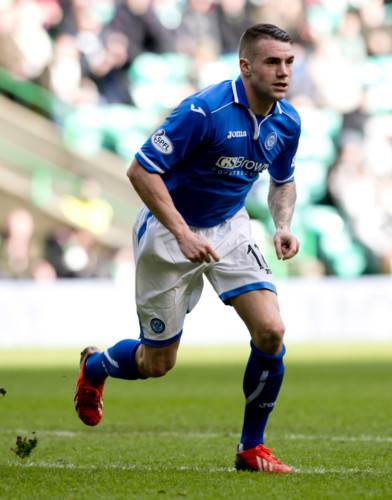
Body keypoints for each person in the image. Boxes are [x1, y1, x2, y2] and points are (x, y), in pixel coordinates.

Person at [74, 23, 301, 473]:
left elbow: (282, 180)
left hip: (231, 226)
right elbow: (140, 170)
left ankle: (251, 448)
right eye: (273, 62)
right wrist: (181, 232)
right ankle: (97, 367)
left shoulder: (287, 120)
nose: (283, 72)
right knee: (157, 363)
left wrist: (282, 224)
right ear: (246, 66)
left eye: (289, 62)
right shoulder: (204, 110)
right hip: (169, 229)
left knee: (272, 330)